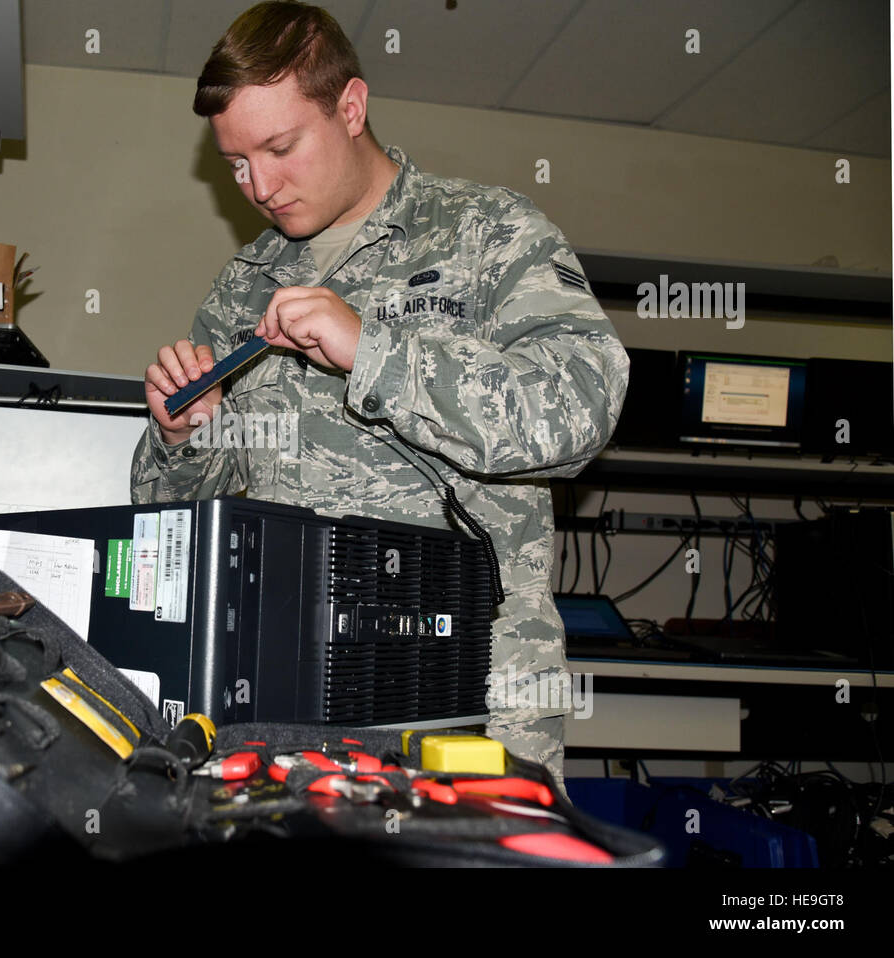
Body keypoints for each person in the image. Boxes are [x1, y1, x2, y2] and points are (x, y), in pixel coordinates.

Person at [130, 1, 629, 791]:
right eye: (236, 163)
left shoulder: (486, 232)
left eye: (279, 147)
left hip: (470, 698)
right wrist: (188, 436)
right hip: (282, 696)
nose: (258, 184)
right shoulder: (242, 288)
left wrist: (374, 352)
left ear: (351, 108)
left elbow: (579, 411)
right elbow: (178, 522)